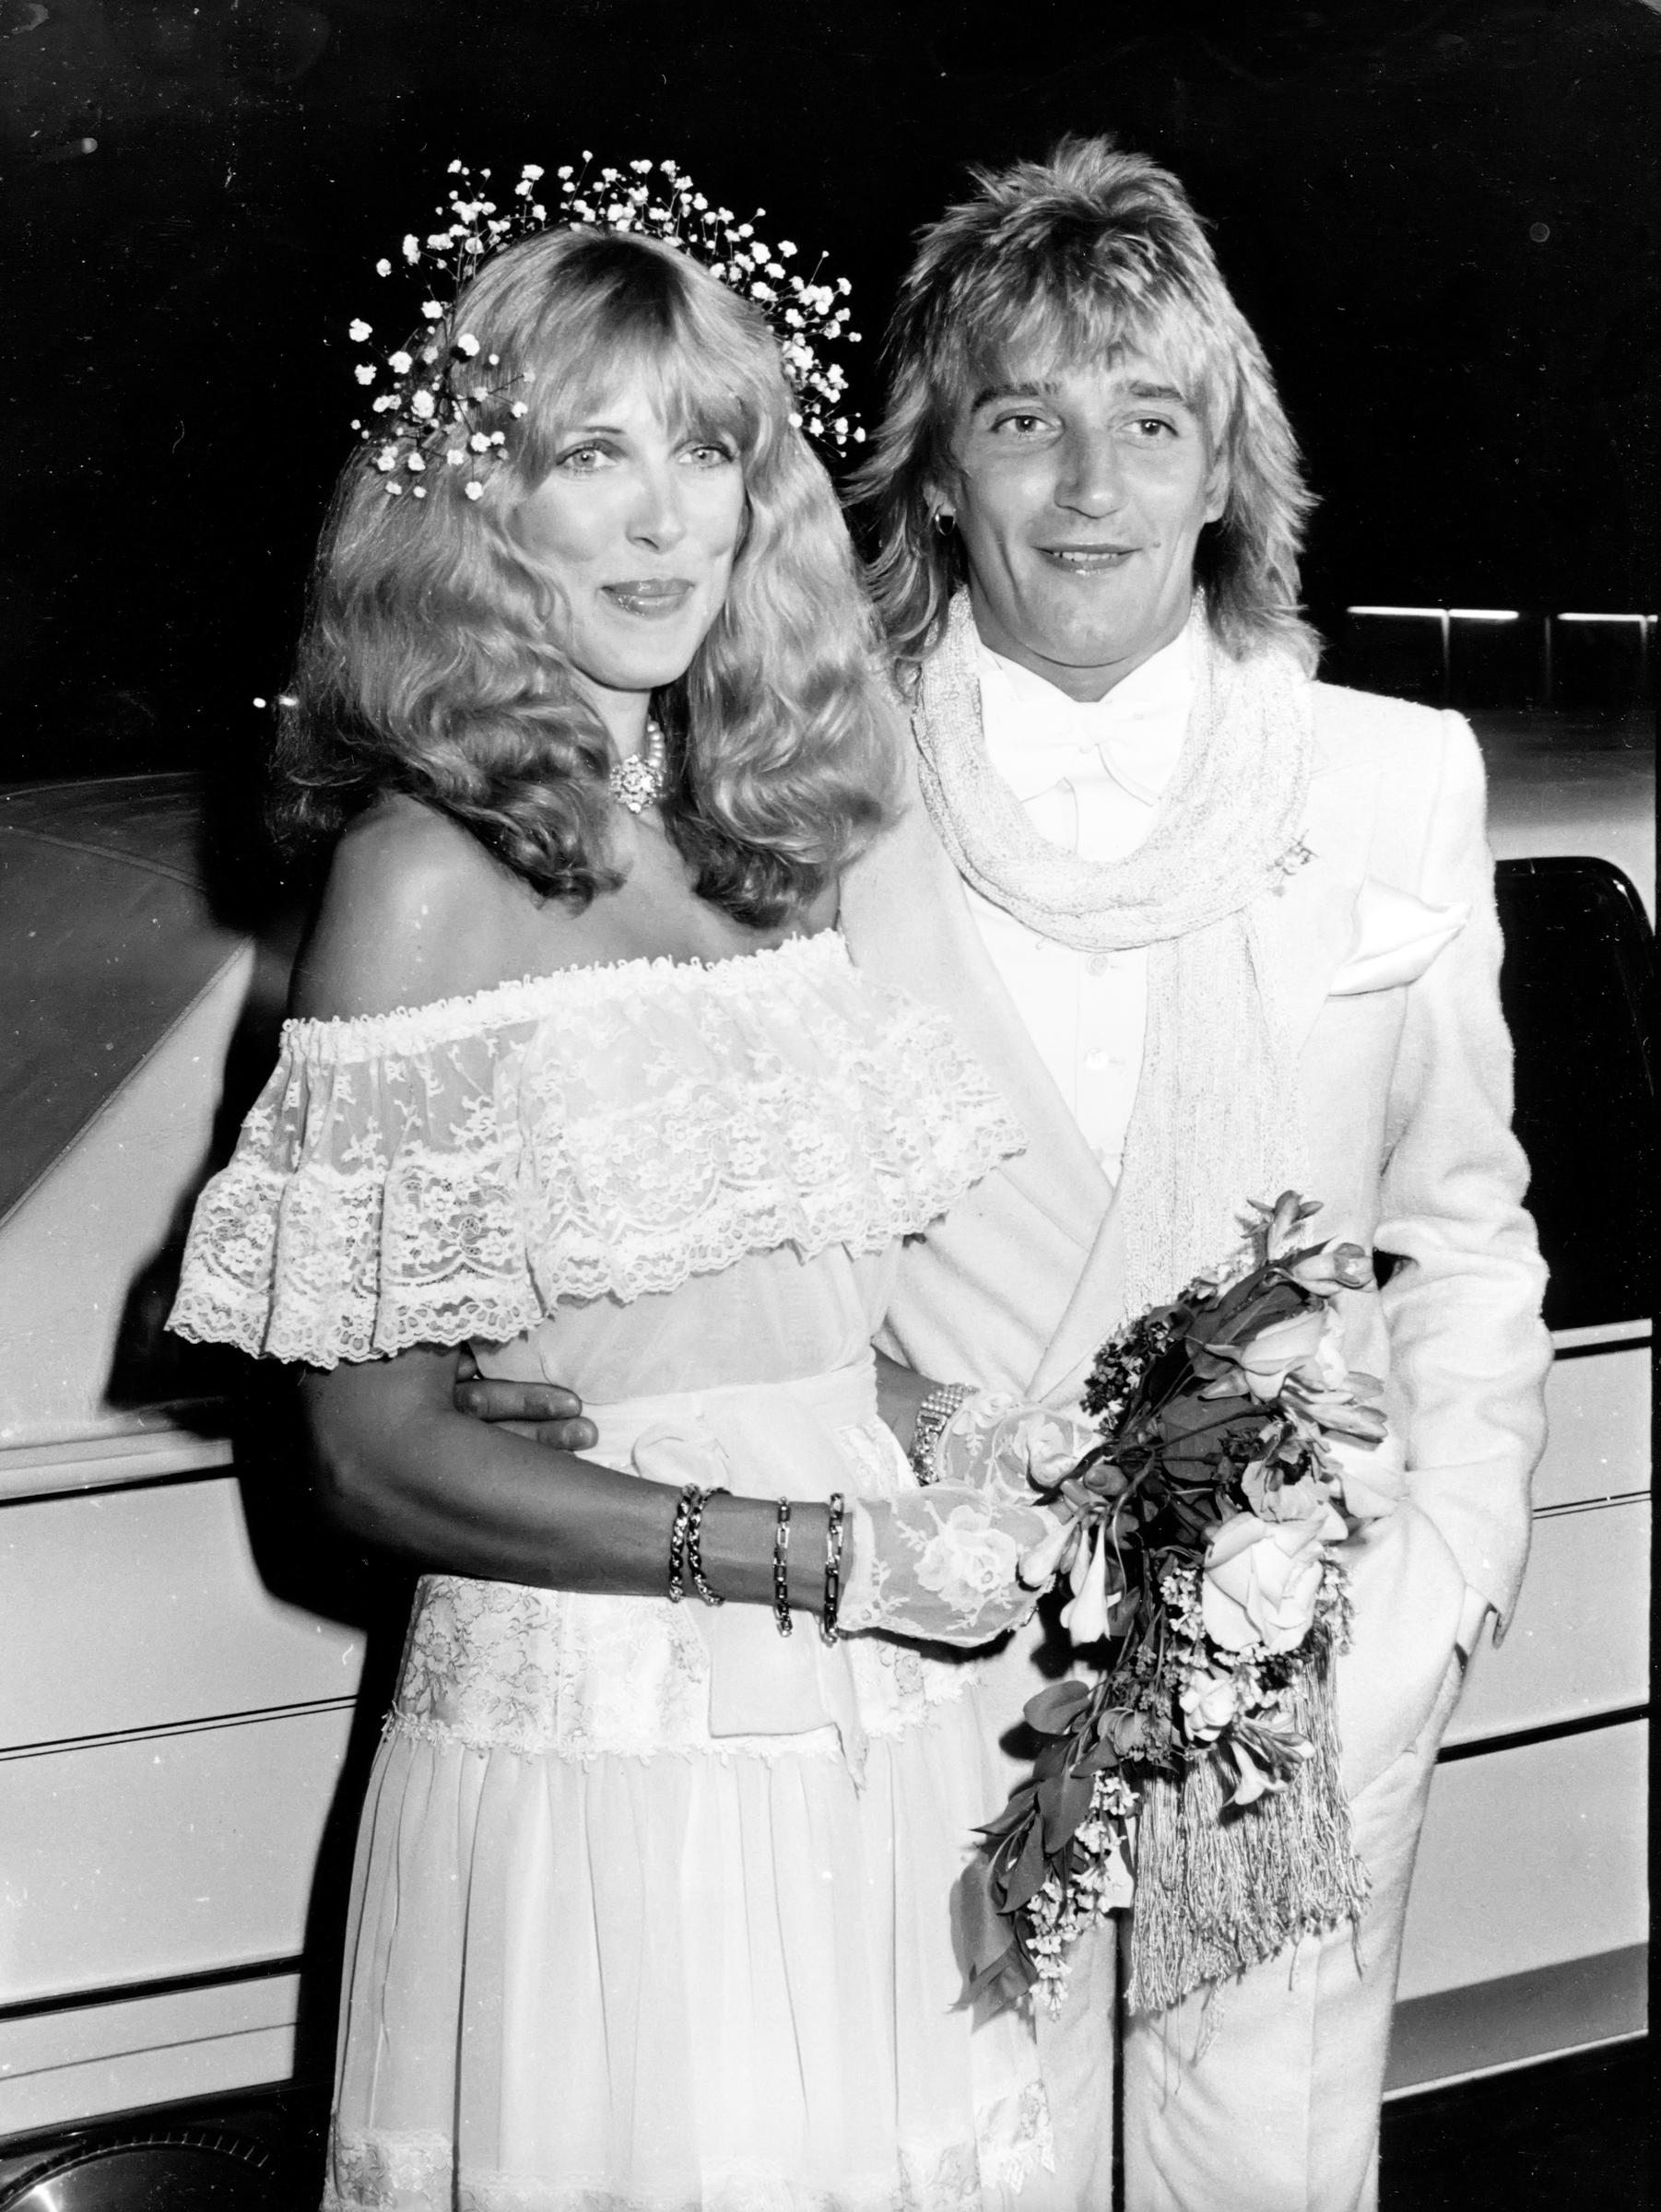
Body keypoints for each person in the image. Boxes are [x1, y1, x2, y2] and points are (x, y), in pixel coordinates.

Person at [474, 141, 1552, 2210]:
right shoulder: (801, 775)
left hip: (1309, 1646)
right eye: (1022, 419)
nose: (1088, 487)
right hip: (922, 1659)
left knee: (1270, 2172)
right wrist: (555, 1348)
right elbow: (647, 1140)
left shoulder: (1392, 774)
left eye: (1151, 423)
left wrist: (1439, 1578)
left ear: (1225, 467)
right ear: (935, 468)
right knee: (978, 2172)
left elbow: (1462, 1228)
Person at [168, 219, 1090, 2211]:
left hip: (875, 1734)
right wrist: (817, 1554)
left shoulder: (757, 848)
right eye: (592, 452)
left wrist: (961, 1431)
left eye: (709, 450)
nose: (666, 517)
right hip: (615, 1757)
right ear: (478, 500)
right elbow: (370, 1458)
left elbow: (749, 1315)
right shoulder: (424, 874)